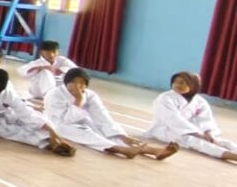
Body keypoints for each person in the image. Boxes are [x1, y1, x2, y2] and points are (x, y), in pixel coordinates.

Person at [45, 68, 176, 159]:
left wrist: (124, 136)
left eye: (82, 83)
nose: (78, 86)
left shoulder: (90, 95)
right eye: (74, 82)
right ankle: (119, 149)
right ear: (66, 83)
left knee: (102, 129)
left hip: (82, 121)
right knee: (88, 134)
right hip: (58, 125)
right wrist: (78, 100)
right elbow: (65, 120)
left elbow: (102, 117)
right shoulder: (54, 95)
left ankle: (153, 151)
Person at [0, 68, 75, 155]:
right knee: (13, 132)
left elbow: (25, 112)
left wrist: (52, 132)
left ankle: (54, 138)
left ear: (0, 82)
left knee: (34, 120)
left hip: (9, 115)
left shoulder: (8, 94)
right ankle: (46, 143)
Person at [148, 73, 236, 163]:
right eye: (175, 82)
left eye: (182, 83)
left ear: (194, 85)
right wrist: (197, 134)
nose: (178, 85)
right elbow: (173, 119)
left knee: (218, 141)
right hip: (166, 130)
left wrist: (208, 133)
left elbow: (205, 119)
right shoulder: (165, 98)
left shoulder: (200, 101)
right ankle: (232, 156)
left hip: (192, 131)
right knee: (195, 142)